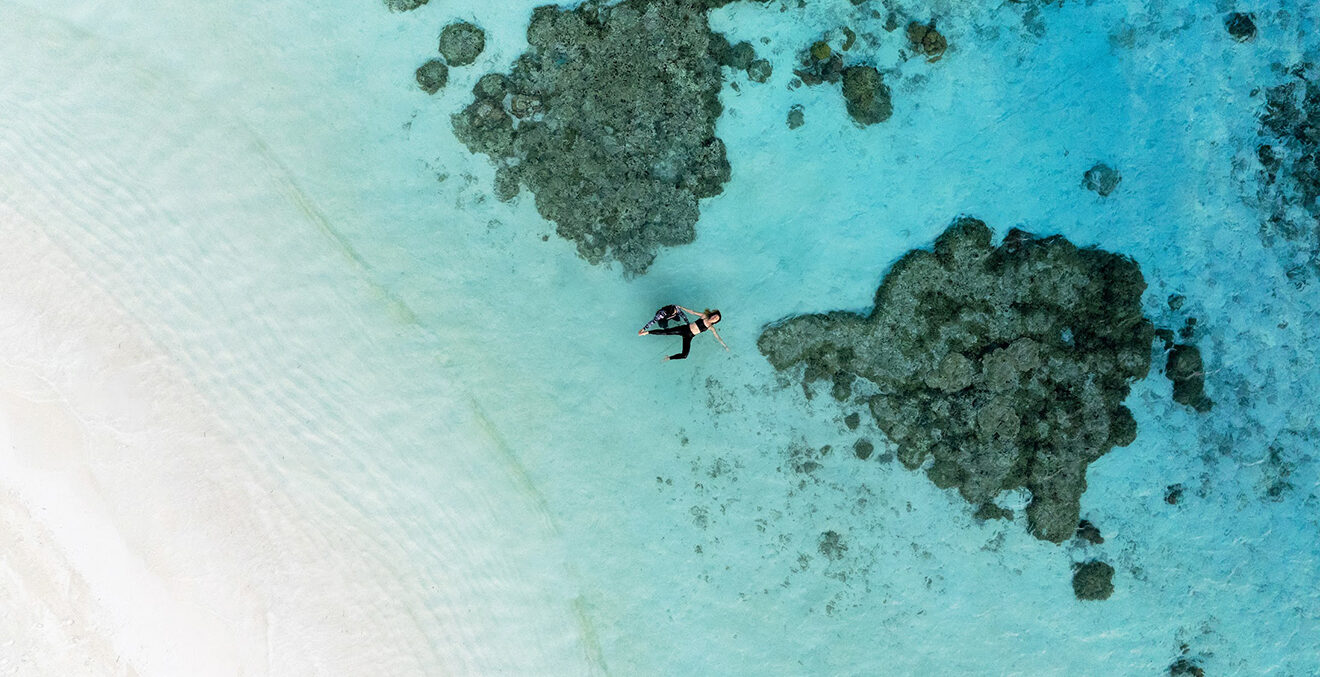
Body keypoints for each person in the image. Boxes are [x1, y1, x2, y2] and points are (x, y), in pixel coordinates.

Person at [639, 307, 727, 361]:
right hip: (684, 329)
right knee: (666, 332)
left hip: (689, 336)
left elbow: (717, 337)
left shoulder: (711, 327)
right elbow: (692, 312)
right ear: (712, 315)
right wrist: (681, 307)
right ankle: (646, 332)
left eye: (716, 319)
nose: (715, 318)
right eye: (715, 316)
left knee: (684, 355)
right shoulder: (704, 316)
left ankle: (668, 358)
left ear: (716, 321)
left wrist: (724, 346)